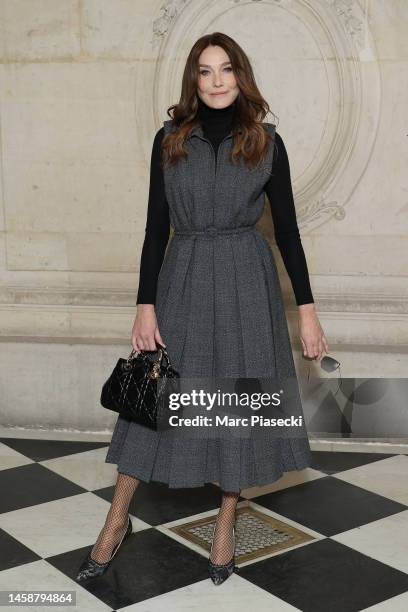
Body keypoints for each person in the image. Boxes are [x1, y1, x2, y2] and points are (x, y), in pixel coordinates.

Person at [76, 32, 329, 586]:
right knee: (156, 398)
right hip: (183, 276)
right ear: (194, 79)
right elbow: (153, 229)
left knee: (234, 404)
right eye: (206, 71)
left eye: (226, 69)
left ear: (241, 75)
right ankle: (117, 517)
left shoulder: (267, 143)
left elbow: (287, 232)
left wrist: (307, 311)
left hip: (246, 280)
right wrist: (145, 304)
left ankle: (225, 523)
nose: (217, 81)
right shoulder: (170, 140)